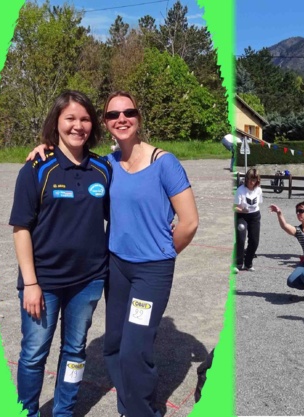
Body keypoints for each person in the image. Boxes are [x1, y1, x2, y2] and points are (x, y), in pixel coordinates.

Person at [11, 91, 110, 417]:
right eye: (70, 118)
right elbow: (21, 229)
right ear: (56, 122)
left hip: (88, 281)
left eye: (84, 119)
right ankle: (27, 411)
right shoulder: (37, 168)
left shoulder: (103, 169)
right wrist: (31, 284)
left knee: (75, 351)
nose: (78, 125)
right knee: (34, 352)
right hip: (44, 283)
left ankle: (64, 411)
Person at [101, 91, 199, 417]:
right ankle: (130, 407)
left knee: (133, 350)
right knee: (113, 345)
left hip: (150, 273)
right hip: (116, 268)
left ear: (139, 118)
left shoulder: (164, 163)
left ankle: (143, 412)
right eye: (113, 115)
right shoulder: (107, 165)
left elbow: (189, 222)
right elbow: (68, 166)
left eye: (128, 112)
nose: (121, 119)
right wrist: (44, 149)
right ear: (106, 124)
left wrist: (162, 254)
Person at [236, 168, 262, 272]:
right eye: (250, 179)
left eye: (254, 180)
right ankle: (238, 263)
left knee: (254, 241)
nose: (252, 182)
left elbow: (258, 204)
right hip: (241, 216)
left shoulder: (258, 190)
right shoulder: (240, 190)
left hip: (255, 216)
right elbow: (234, 207)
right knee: (241, 239)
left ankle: (248, 263)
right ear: (246, 179)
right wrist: (242, 210)